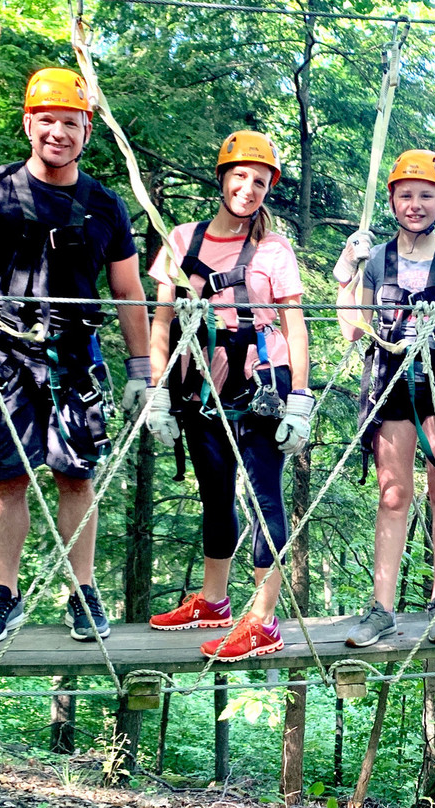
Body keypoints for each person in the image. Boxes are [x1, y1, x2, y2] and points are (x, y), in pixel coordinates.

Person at [0, 67, 151, 644]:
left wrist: (141, 369)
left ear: (87, 130)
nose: (59, 132)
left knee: (75, 477)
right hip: (4, 352)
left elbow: (129, 291)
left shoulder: (105, 205)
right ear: (29, 123)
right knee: (8, 479)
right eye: (47, 120)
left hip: (75, 357)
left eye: (71, 122)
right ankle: (4, 594)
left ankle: (82, 592)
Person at [145, 131, 312, 662]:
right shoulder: (181, 240)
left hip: (263, 382)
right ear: (222, 179)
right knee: (214, 493)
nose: (249, 187)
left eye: (260, 181)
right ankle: (215, 601)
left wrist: (302, 397)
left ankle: (263, 620)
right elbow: (162, 320)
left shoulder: (273, 248)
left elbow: (296, 324)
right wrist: (157, 391)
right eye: (240, 176)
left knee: (264, 496)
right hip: (199, 383)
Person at [336, 149, 435, 648]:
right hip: (391, 380)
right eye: (406, 195)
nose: (415, 204)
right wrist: (346, 276)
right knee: (393, 494)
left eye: (426, 195)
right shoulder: (377, 259)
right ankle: (380, 608)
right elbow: (352, 330)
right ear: (393, 201)